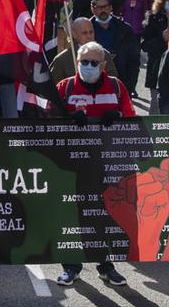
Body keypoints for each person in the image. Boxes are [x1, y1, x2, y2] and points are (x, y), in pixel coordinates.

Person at [53, 41, 133, 287]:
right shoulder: (64, 88)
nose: (88, 66)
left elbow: (132, 118)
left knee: (103, 215)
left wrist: (117, 116)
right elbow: (46, 121)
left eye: (93, 62)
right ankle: (71, 267)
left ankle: (105, 265)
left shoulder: (117, 87)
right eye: (84, 62)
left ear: (104, 65)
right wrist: (66, 118)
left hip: (107, 164)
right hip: (72, 166)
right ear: (77, 63)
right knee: (72, 216)